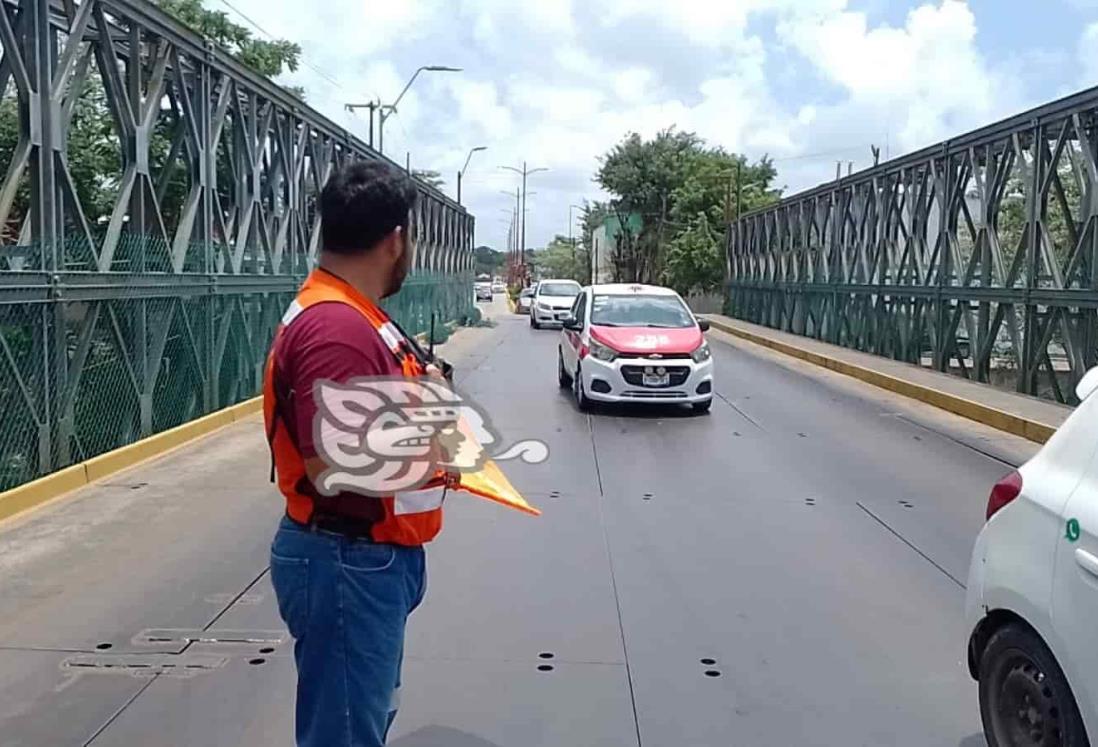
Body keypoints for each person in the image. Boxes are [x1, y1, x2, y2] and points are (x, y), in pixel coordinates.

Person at [262, 159, 450, 747]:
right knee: (343, 734)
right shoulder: (337, 329)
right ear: (396, 240)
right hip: (346, 558)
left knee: (358, 721)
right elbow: (333, 469)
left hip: (365, 556)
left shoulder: (354, 314)